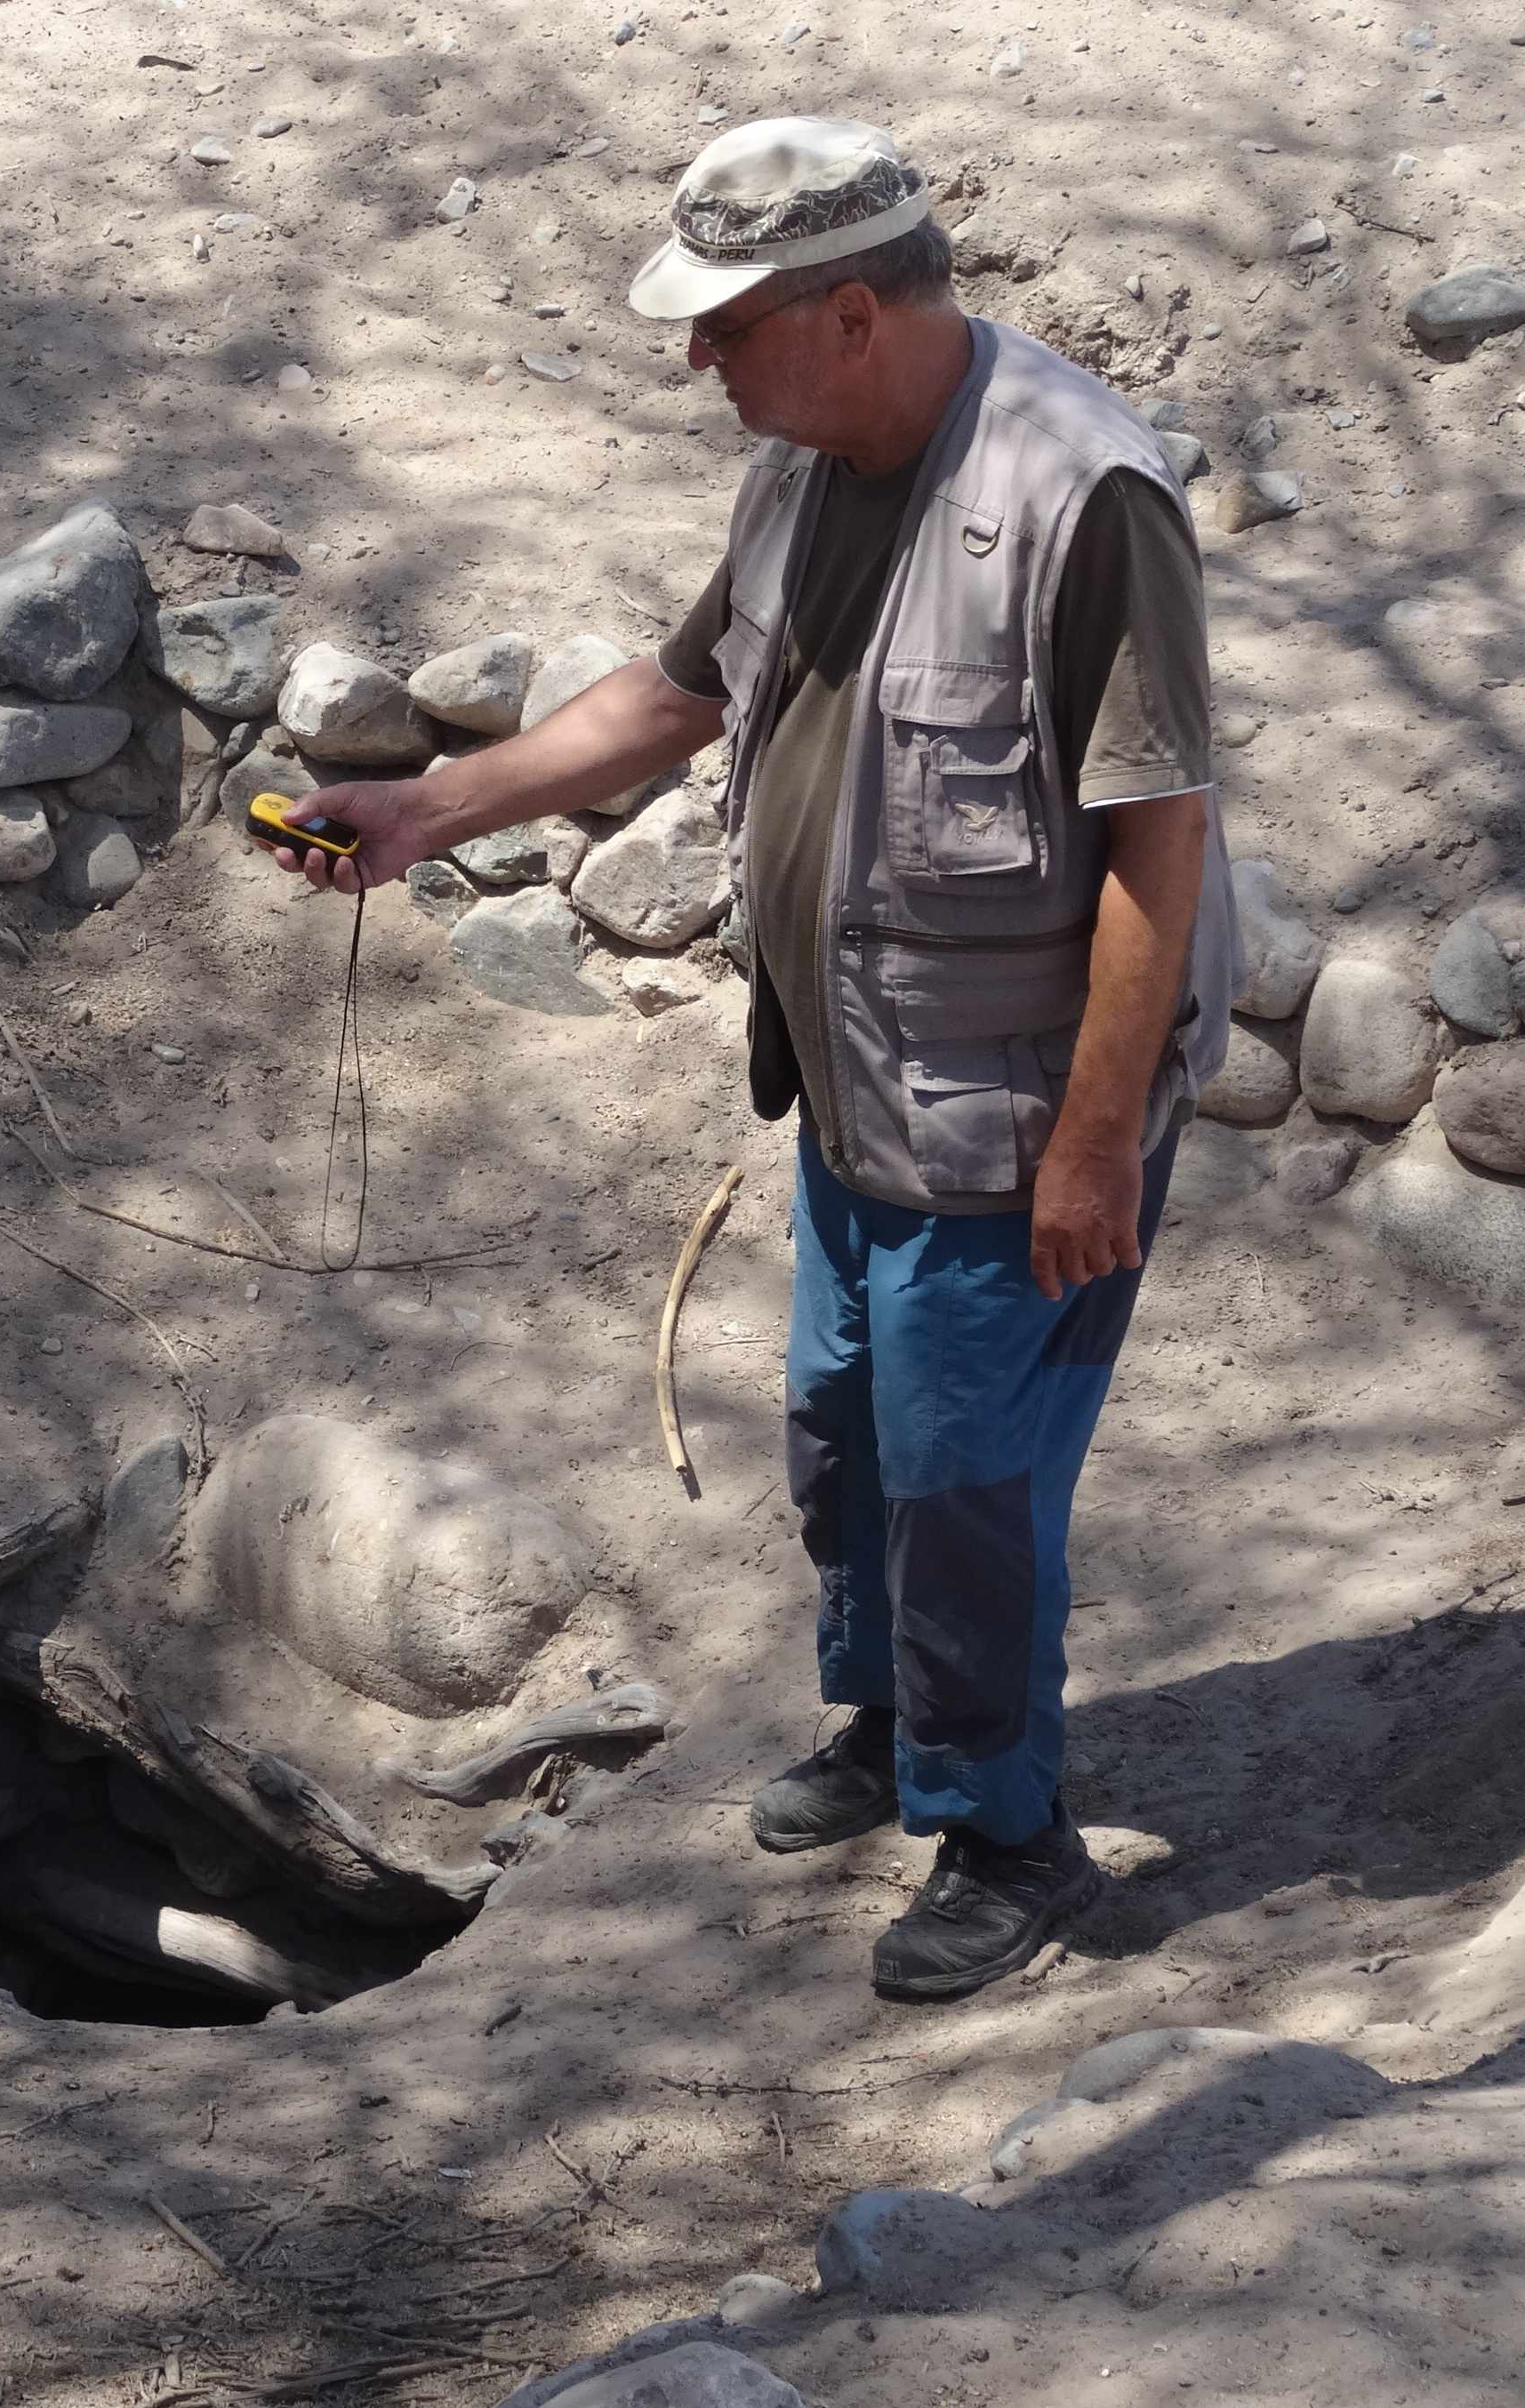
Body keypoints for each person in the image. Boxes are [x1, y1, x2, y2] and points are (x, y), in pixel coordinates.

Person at [263, 117, 1237, 2001]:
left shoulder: (1079, 498)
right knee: (846, 1438)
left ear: (852, 313)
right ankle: (887, 1732)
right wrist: (430, 801)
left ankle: (1006, 1834)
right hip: (858, 1083)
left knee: (967, 1481)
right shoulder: (804, 465)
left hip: (1012, 1107)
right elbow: (681, 688)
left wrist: (1099, 1138)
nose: (695, 360)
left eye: (726, 328)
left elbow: (1156, 846)